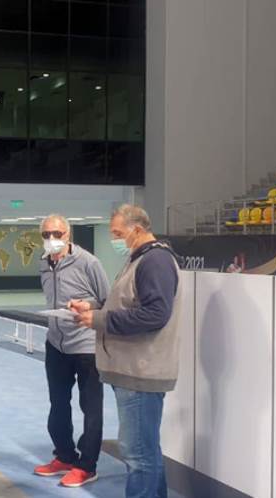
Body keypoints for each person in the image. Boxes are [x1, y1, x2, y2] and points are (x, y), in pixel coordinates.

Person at [70, 204, 182, 498]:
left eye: (118, 233)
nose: (114, 240)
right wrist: (92, 306)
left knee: (138, 455)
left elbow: (155, 314)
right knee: (146, 451)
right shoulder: (139, 259)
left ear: (137, 229)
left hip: (140, 371)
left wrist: (99, 320)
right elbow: (126, 303)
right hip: (130, 369)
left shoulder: (155, 261)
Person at [33, 215, 109, 488]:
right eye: (46, 234)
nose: (51, 238)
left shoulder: (88, 262)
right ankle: (65, 456)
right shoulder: (44, 263)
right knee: (58, 404)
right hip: (56, 344)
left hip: (86, 345)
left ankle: (87, 466)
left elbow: (105, 300)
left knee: (91, 408)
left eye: (57, 233)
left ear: (68, 234)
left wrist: (87, 306)